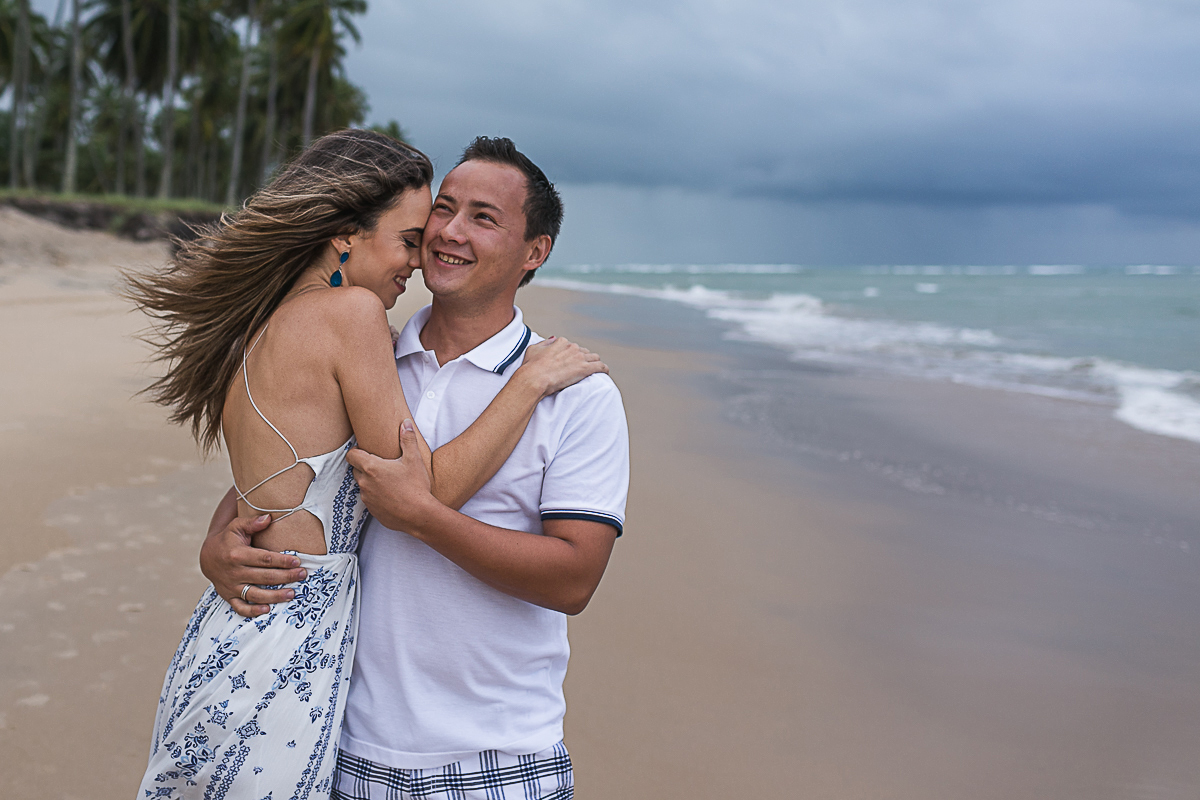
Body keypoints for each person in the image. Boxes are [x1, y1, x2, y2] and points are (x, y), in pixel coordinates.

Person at [125, 130, 606, 799]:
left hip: (257, 640)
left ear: (535, 251)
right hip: (291, 650)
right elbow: (421, 492)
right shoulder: (353, 321)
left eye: (481, 217)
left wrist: (220, 537)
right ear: (346, 234)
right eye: (419, 229)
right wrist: (525, 383)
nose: (427, 248)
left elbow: (282, 473)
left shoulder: (290, 323)